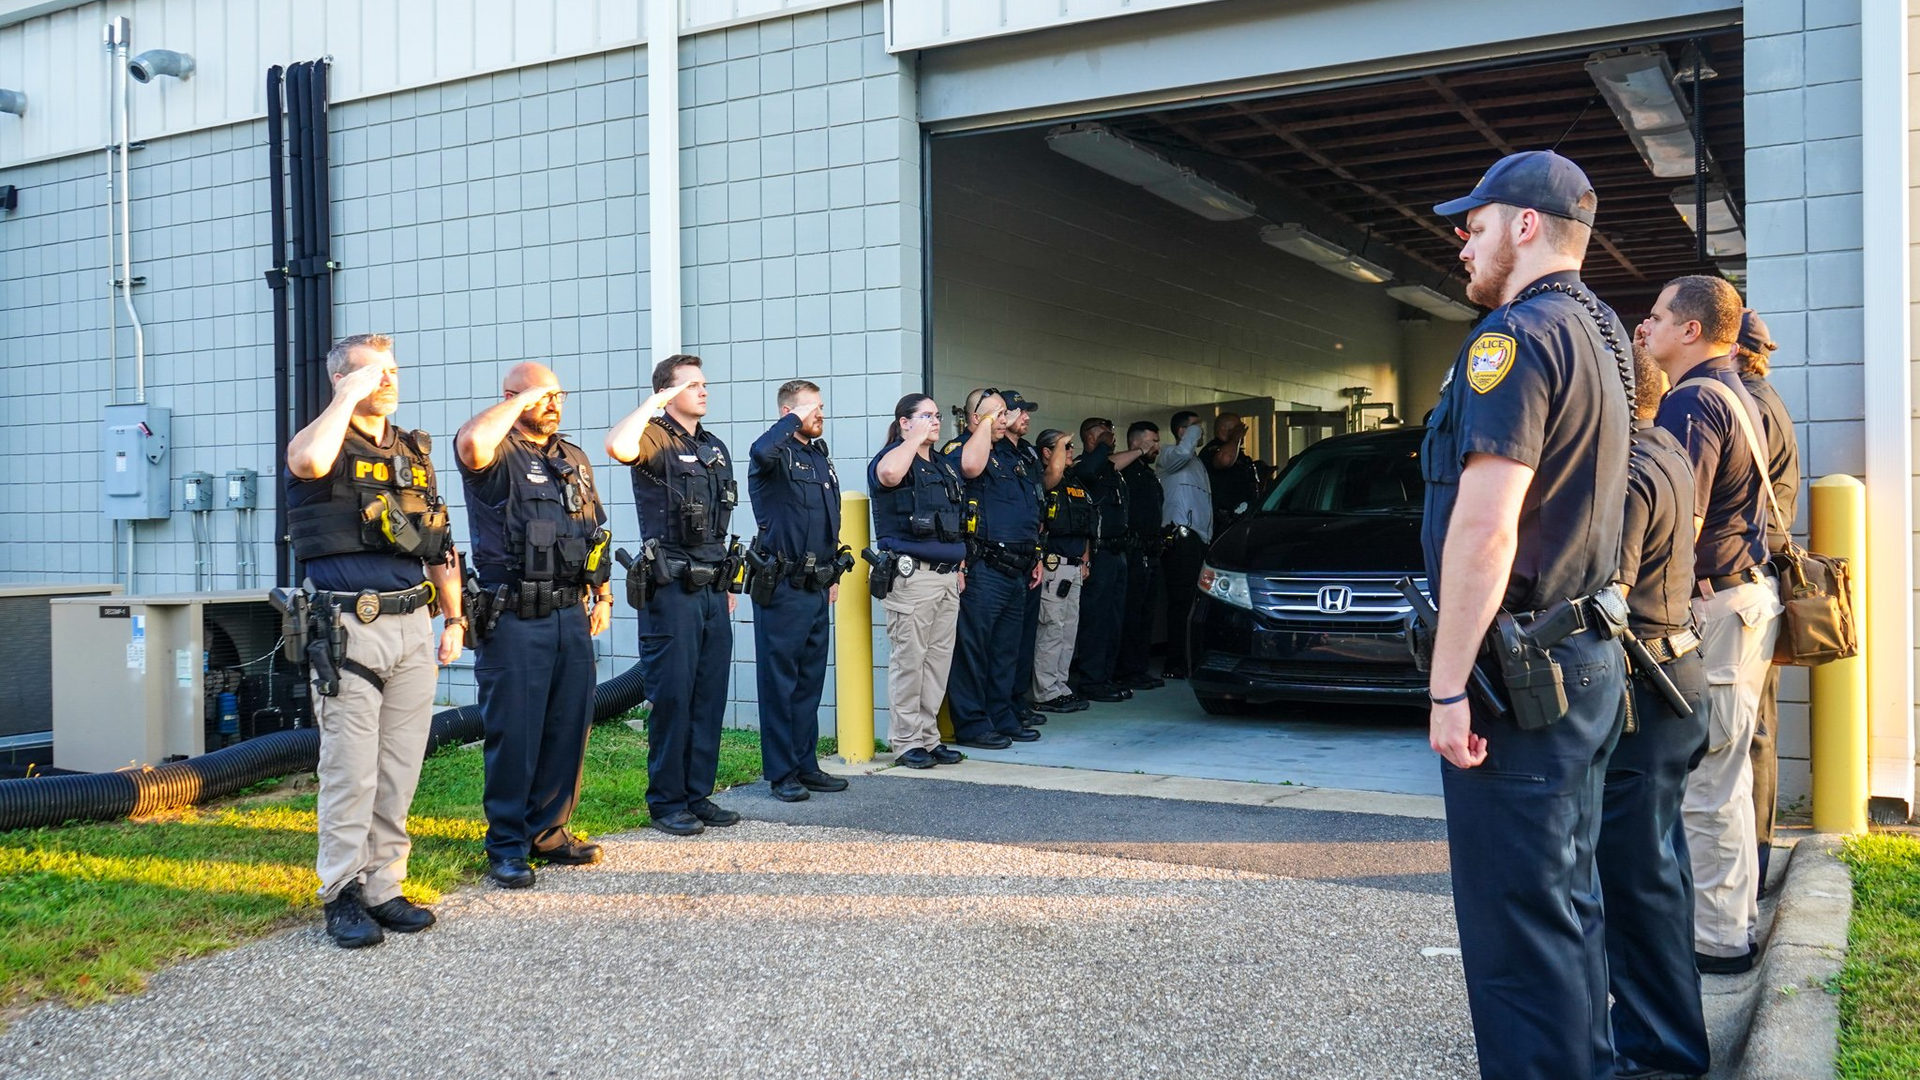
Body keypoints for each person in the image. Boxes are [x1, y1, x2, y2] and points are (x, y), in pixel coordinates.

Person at [1421, 150, 1631, 1079]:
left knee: (1515, 936)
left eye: (1475, 221)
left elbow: (1486, 528)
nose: (1462, 238)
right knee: (1567, 908)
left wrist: (1447, 687)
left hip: (1519, 676)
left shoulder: (1515, 337)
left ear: (1527, 226)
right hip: (1582, 656)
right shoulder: (1602, 331)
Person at [285, 333, 465, 948]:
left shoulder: (414, 451)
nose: (386, 380)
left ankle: (385, 884)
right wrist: (346, 399)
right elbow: (306, 462)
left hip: (413, 625)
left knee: (398, 769)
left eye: (390, 370)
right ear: (342, 381)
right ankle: (342, 891)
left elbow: (438, 540)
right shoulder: (324, 441)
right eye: (369, 373)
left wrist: (455, 618)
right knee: (350, 771)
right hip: (347, 629)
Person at [1642, 275, 1784, 975]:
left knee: (1708, 784)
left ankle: (1719, 941)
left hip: (1718, 608)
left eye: (1659, 315)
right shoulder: (1740, 392)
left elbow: (1679, 523)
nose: (1649, 324)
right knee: (1722, 773)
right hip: (1747, 598)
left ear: (1691, 330)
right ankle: (1732, 923)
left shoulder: (1693, 404)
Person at [1596, 342, 1712, 1079]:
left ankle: (1663, 1052)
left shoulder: (1631, 469)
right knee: (1661, 874)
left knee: (1637, 886)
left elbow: (1612, 592)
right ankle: (1672, 1031)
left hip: (1647, 685)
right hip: (1680, 674)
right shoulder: (1667, 446)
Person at [455, 362, 613, 890]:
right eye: (542, 395)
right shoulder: (496, 452)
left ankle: (550, 832)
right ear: (512, 398)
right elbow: (473, 440)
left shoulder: (572, 456)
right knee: (515, 730)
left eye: (558, 395)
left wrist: (603, 592)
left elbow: (595, 530)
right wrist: (518, 404)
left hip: (570, 610)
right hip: (514, 614)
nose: (553, 403)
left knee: (570, 724)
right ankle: (506, 845)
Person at [605, 354, 743, 837]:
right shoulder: (651, 436)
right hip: (670, 587)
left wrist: (727, 585)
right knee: (673, 695)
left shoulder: (714, 446)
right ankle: (666, 801)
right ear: (667, 392)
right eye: (692, 385)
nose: (704, 391)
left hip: (712, 585)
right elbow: (615, 446)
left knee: (708, 695)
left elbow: (720, 525)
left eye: (705, 383)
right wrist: (652, 404)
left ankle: (696, 794)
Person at [747, 379, 853, 803]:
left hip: (815, 584)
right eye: (812, 409)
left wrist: (832, 575)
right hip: (782, 584)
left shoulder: (818, 456)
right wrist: (793, 418)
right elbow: (759, 450)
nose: (819, 415)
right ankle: (781, 773)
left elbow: (828, 520)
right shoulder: (773, 457)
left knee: (809, 680)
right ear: (788, 412)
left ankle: (805, 763)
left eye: (821, 407)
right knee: (780, 681)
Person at [868, 394, 968, 770]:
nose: (934, 421)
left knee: (937, 663)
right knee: (910, 661)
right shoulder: (894, 457)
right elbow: (889, 476)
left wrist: (959, 568)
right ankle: (906, 741)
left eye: (937, 415)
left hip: (945, 578)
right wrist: (911, 440)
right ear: (904, 421)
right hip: (912, 577)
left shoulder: (942, 465)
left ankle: (929, 737)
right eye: (925, 415)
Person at [1735, 309, 1799, 890]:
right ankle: (1758, 855)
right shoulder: (1768, 398)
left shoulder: (1742, 404)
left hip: (1744, 578)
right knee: (1761, 729)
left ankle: (1748, 867)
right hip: (1766, 579)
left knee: (1746, 732)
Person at [946, 389, 1045, 749]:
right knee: (975, 650)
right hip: (984, 566)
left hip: (1017, 567)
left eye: (1004, 414)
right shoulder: (965, 448)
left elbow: (1028, 511)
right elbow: (969, 468)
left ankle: (1001, 715)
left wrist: (1034, 556)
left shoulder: (1011, 455)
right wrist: (984, 428)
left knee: (1006, 650)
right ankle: (972, 724)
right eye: (997, 414)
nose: (1005, 420)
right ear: (976, 419)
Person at [1069, 417, 1146, 701]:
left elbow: (1111, 464)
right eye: (1104, 434)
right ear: (1091, 437)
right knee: (1097, 620)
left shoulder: (1111, 469)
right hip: (1098, 553)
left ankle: (1106, 677)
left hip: (1118, 552)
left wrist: (1138, 450)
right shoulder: (1083, 465)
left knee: (1115, 619)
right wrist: (1101, 446)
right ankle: (1091, 681)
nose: (1112, 437)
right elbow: (1089, 471)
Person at [1031, 428, 1096, 713]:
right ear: (1047, 452)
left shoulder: (1075, 482)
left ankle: (1060, 686)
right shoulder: (1046, 478)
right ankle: (1045, 691)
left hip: (1074, 565)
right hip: (1053, 565)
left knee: (1068, 631)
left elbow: (1086, 527)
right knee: (1051, 629)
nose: (1072, 451)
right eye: (1065, 446)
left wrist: (1085, 559)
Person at [1001, 391, 1056, 727]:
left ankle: (1016, 700)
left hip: (1029, 554)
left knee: (1023, 638)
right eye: (1021, 411)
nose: (1027, 417)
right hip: (999, 560)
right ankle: (1002, 705)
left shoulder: (1028, 453)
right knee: (1003, 643)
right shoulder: (990, 451)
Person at [1156, 410, 1213, 679]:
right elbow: (1182, 453)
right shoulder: (1169, 454)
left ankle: (1191, 659)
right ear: (1182, 432)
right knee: (1181, 602)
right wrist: (1193, 430)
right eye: (1194, 428)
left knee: (1194, 602)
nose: (1200, 432)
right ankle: (1175, 662)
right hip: (1180, 537)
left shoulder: (1197, 462)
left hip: (1199, 538)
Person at [1113, 421, 1166, 691]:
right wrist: (1136, 451)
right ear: (1136, 442)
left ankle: (1139, 668)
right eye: (1152, 442)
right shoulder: (1125, 468)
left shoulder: (1148, 473)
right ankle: (1126, 670)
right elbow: (1106, 466)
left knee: (1146, 615)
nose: (1157, 447)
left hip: (1151, 550)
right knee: (1131, 614)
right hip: (1132, 552)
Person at [1202, 412, 1260, 532]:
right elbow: (1225, 460)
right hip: (1224, 520)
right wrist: (1236, 438)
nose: (1242, 432)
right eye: (1237, 428)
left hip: (1244, 517)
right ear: (1223, 429)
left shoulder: (1237, 452)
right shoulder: (1213, 449)